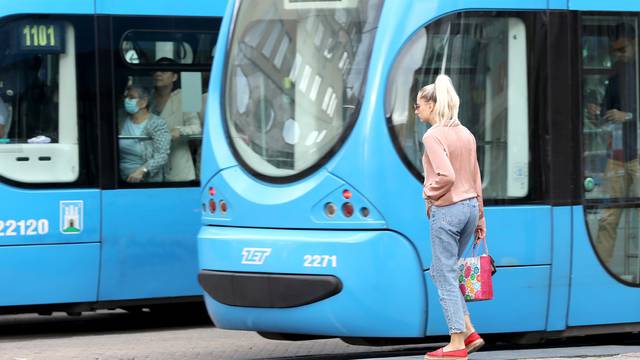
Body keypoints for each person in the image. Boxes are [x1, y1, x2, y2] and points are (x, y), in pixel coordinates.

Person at [415, 74, 486, 360]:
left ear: (432, 105)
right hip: (469, 208)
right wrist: (481, 217)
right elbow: (476, 176)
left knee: (443, 273)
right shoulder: (466, 133)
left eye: (418, 105)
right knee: (443, 270)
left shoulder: (432, 135)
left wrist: (428, 194)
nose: (416, 110)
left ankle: (457, 342)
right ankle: (468, 330)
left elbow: (446, 175)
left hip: (448, 210)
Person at [595, 23, 639, 265]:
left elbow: (627, 115)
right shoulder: (614, 77)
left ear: (635, 43)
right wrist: (599, 114)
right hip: (618, 154)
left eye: (623, 50)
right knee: (608, 218)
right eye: (616, 52)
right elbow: (605, 113)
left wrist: (628, 116)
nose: (619, 56)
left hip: (637, 153)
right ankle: (600, 268)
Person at [151, 58, 201, 182]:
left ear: (174, 77)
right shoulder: (147, 97)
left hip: (179, 166)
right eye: (156, 70)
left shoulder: (187, 94)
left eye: (164, 71)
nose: (158, 73)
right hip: (151, 165)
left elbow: (197, 128)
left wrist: (179, 130)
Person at [119, 83, 171, 183]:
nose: (126, 100)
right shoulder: (121, 119)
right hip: (121, 179)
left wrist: (142, 170)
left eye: (131, 97)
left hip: (146, 180)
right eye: (126, 97)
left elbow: (162, 155)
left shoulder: (157, 123)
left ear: (144, 102)